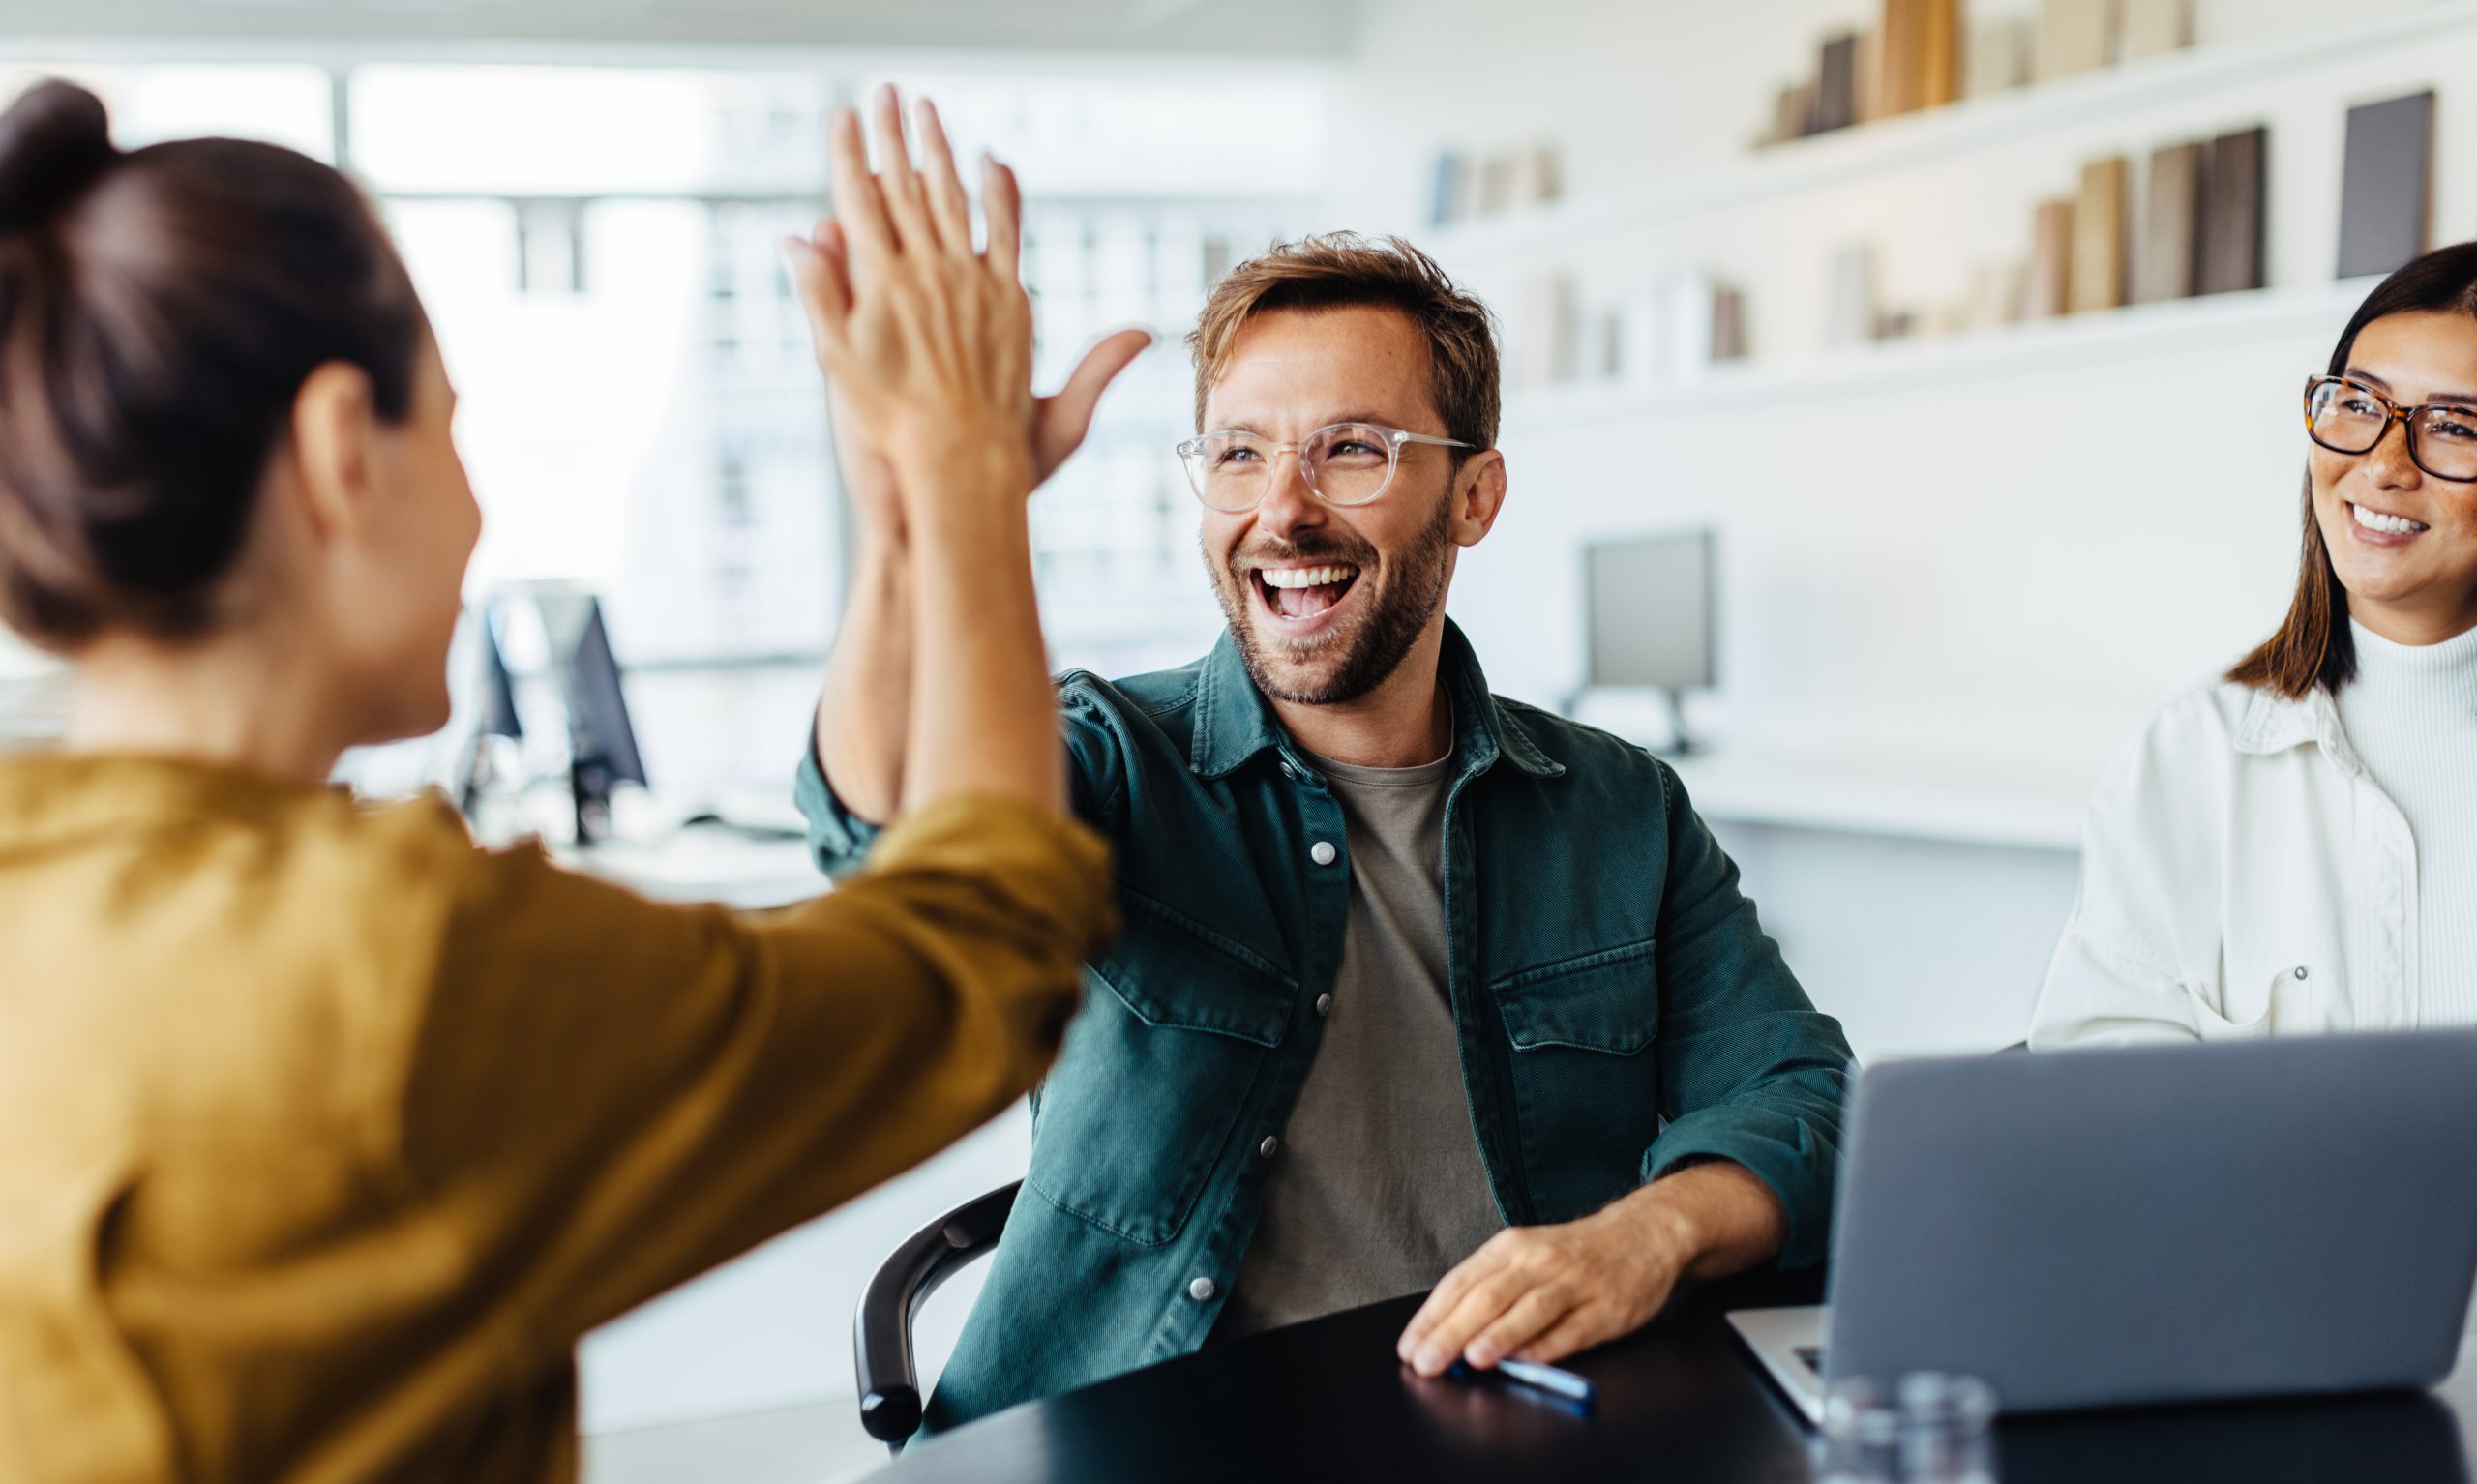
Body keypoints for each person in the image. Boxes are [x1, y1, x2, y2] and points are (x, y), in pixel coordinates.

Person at [0, 81, 1119, 1481]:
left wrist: (907, 525)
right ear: (344, 449)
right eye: (453, 429)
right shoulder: (387, 965)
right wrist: (963, 480)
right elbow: (982, 955)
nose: (476, 514)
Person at [801, 231, 1854, 1430]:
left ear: (1474, 496)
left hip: (1502, 1427)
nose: (1282, 512)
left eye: (1352, 449)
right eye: (1240, 454)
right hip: (1136, 1436)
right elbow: (881, 823)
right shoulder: (1107, 760)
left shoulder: (1618, 806)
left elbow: (1803, 1096)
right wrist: (914, 517)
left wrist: (1646, 1233)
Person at [2030, 243, 2477, 1048]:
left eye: (2453, 426)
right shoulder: (2191, 755)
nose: (2381, 465)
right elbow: (2104, 1095)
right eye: (2359, 405)